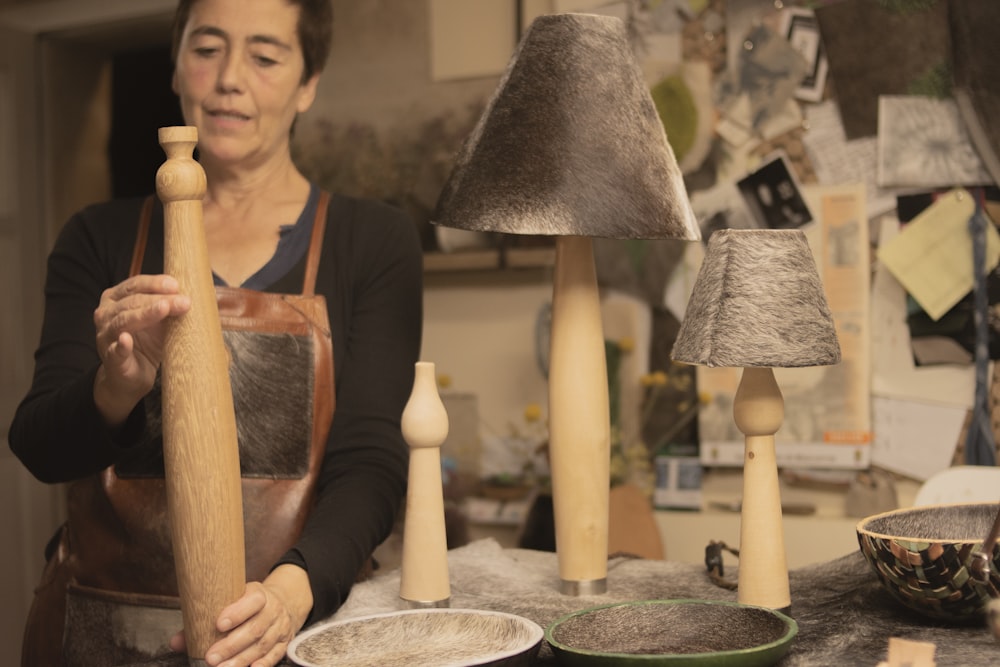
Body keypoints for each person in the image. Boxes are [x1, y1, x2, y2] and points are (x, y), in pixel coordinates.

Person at [8, 0, 422, 664]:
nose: (230, 77)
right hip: (100, 637)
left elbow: (370, 463)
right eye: (206, 48)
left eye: (264, 56)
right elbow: (38, 446)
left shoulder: (371, 241)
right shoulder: (97, 237)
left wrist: (290, 594)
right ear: (176, 65)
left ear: (308, 82)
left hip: (288, 632)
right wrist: (114, 385)